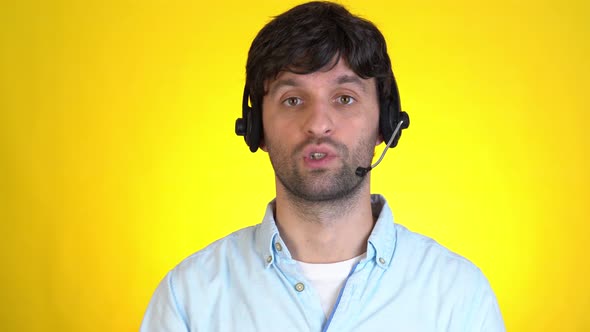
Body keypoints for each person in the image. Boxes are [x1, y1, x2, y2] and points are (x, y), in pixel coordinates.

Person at [140, 2, 505, 331]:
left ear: (385, 123)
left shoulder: (459, 296)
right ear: (256, 128)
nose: (318, 123)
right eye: (293, 99)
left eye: (344, 98)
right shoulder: (187, 299)